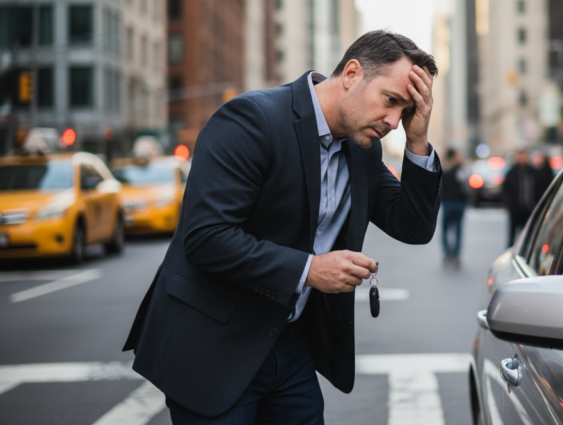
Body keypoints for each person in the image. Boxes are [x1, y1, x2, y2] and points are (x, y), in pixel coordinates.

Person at [122, 30, 442, 424]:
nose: (394, 121)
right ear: (352, 73)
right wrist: (311, 270)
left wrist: (419, 138)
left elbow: (414, 226)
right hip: (213, 345)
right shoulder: (251, 120)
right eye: (391, 101)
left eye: (405, 111)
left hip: (289, 345)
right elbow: (206, 238)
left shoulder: (364, 151)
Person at [503, 149, 537, 247]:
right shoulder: (512, 172)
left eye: (524, 155)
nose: (522, 158)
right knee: (512, 234)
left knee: (527, 234)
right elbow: (506, 189)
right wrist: (508, 204)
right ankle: (510, 250)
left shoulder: (532, 172)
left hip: (529, 208)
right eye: (520, 156)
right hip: (515, 208)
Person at [440, 148, 467, 264]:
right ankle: (455, 255)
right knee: (457, 231)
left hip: (448, 203)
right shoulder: (459, 169)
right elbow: (465, 184)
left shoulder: (444, 169)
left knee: (446, 230)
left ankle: (448, 253)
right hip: (457, 203)